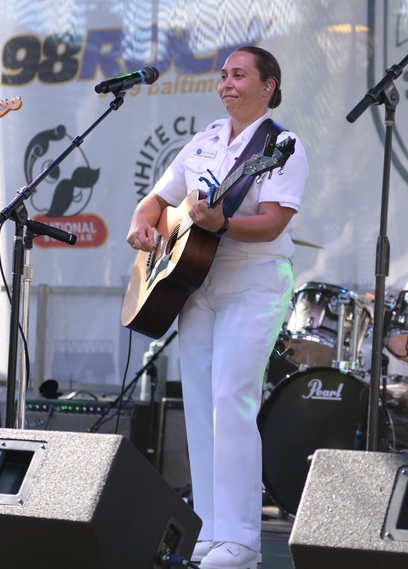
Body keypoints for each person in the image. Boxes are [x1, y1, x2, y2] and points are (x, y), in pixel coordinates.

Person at [126, 46, 308, 569]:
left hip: (254, 282)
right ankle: (208, 531)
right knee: (203, 408)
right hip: (193, 284)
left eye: (238, 75)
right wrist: (143, 224)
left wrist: (220, 224)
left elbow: (272, 222)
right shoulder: (203, 139)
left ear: (268, 85)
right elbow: (158, 201)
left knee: (231, 400)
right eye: (223, 75)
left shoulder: (282, 145)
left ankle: (242, 538)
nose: (226, 83)